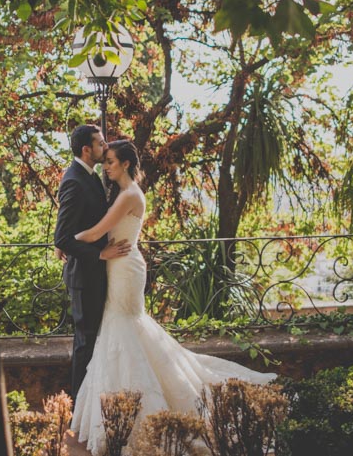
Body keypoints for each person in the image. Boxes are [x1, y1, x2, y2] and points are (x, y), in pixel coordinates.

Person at [70, 139, 278, 455]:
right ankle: (122, 413)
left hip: (124, 268)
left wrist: (66, 241)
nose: (106, 166)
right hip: (120, 264)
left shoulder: (128, 195)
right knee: (127, 330)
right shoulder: (125, 194)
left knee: (124, 329)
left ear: (125, 163)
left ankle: (138, 416)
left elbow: (97, 232)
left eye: (111, 161)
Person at [54, 124, 131, 400]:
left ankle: (89, 404)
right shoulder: (75, 179)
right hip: (84, 276)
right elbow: (62, 236)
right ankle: (77, 409)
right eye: (100, 143)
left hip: (95, 273)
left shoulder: (90, 174)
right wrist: (100, 254)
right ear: (87, 150)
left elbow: (73, 229)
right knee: (85, 344)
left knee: (92, 341)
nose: (105, 146)